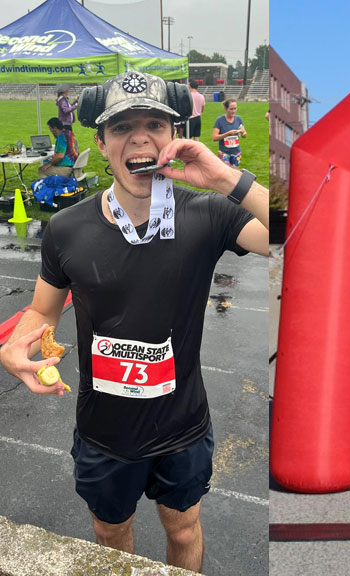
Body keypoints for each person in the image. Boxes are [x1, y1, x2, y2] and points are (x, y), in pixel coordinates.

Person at [0, 71, 269, 572]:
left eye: (154, 125)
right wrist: (14, 347)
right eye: (123, 127)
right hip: (104, 433)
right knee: (109, 532)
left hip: (182, 428)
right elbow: (41, 309)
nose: (140, 137)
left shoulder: (208, 214)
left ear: (174, 137)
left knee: (184, 528)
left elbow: (298, 234)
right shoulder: (66, 228)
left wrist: (227, 179)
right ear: (101, 143)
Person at [212, 99, 246, 168]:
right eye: (231, 109)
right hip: (224, 153)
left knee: (235, 174)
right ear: (225, 109)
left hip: (236, 152)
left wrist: (243, 133)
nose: (233, 111)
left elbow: (244, 135)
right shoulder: (219, 120)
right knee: (225, 174)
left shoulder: (238, 119)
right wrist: (228, 134)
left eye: (235, 108)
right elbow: (214, 138)